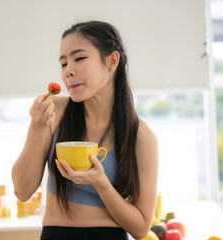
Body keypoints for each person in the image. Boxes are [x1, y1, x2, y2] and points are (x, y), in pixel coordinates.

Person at [12, 20, 158, 240]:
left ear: (111, 61)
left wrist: (101, 184)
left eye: (79, 58)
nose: (68, 71)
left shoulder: (140, 135)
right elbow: (22, 191)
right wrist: (37, 126)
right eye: (63, 64)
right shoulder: (55, 112)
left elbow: (140, 229)